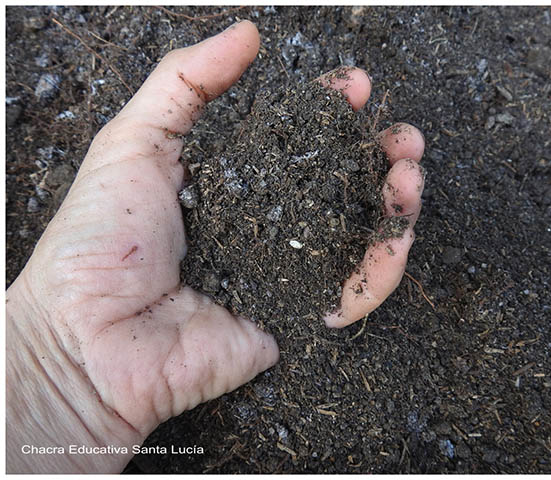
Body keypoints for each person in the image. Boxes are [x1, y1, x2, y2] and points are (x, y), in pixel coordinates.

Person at [6, 20, 425, 473]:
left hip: (243, 290)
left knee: (391, 218)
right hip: (213, 276)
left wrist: (51, 361)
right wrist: (45, 350)